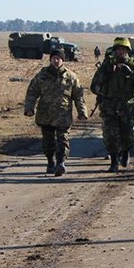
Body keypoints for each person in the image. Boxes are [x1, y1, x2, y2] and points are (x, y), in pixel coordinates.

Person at [24, 49, 88, 177]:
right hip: (45, 114)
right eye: (54, 58)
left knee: (63, 139)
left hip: (63, 115)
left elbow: (78, 96)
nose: (56, 60)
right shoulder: (42, 75)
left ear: (63, 60)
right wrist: (29, 108)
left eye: (59, 58)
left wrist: (82, 112)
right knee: (48, 141)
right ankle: (50, 162)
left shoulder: (71, 76)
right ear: (50, 59)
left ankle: (61, 163)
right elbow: (32, 92)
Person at [90, 37, 134, 173]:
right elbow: (94, 85)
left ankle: (126, 151)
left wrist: (132, 74)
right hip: (109, 105)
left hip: (128, 106)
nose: (121, 52)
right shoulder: (107, 64)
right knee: (110, 136)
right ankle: (114, 161)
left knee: (128, 134)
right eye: (118, 50)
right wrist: (107, 72)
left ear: (127, 51)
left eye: (123, 50)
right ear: (114, 51)